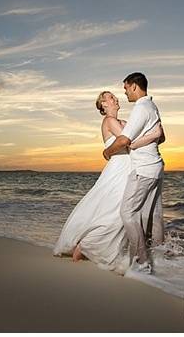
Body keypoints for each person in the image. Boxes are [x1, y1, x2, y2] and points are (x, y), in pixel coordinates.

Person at [52, 90, 164, 275]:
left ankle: (117, 251)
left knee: (121, 214)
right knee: (114, 213)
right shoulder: (109, 121)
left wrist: (154, 134)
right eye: (110, 97)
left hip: (131, 168)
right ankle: (84, 247)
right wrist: (153, 134)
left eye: (114, 96)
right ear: (103, 104)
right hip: (118, 170)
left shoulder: (124, 122)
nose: (116, 98)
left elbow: (136, 137)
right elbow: (130, 140)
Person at [103, 72, 164, 276]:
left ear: (135, 87)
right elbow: (160, 136)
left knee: (127, 213)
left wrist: (107, 152)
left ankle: (142, 262)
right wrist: (147, 139)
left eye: (126, 88)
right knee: (152, 216)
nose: (125, 93)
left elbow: (123, 141)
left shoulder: (140, 108)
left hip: (144, 169)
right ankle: (162, 258)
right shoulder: (152, 107)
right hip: (156, 167)